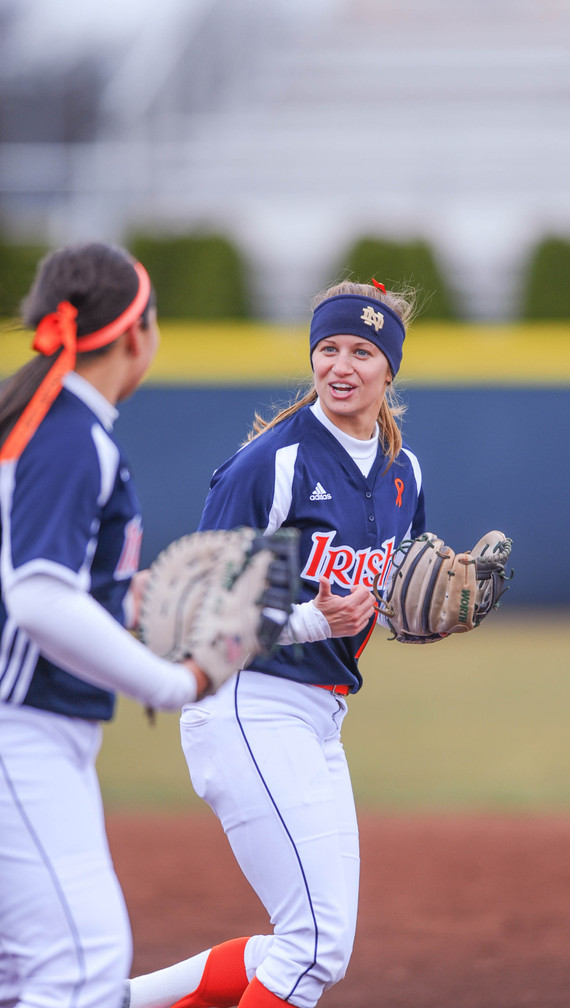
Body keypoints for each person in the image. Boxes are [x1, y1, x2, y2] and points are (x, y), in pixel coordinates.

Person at [127, 279, 425, 1008]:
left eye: (362, 351)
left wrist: (422, 614)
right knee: (312, 947)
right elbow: (199, 610)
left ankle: (101, 1000)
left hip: (321, 717)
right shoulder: (275, 462)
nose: (341, 366)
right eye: (328, 348)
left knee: (314, 945)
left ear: (389, 368)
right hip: (247, 704)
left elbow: (382, 597)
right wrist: (315, 621)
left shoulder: (402, 474)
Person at [0, 241, 216, 1008]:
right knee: (81, 964)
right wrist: (171, 682)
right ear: (136, 335)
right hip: (18, 730)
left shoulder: (41, 419)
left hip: (33, 729)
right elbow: (37, 595)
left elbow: (57, 587)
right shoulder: (69, 435)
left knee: (31, 976)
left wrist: (134, 597)